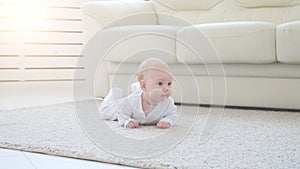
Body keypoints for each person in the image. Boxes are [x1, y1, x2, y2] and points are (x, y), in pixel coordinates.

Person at [99, 57, 178, 129]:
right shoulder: (132, 101)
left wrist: (167, 120)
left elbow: (172, 115)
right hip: (119, 106)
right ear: (144, 86)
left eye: (169, 84)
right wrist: (127, 121)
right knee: (105, 113)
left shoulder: (168, 102)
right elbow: (121, 113)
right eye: (160, 84)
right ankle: (113, 95)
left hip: (144, 91)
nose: (166, 88)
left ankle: (138, 88)